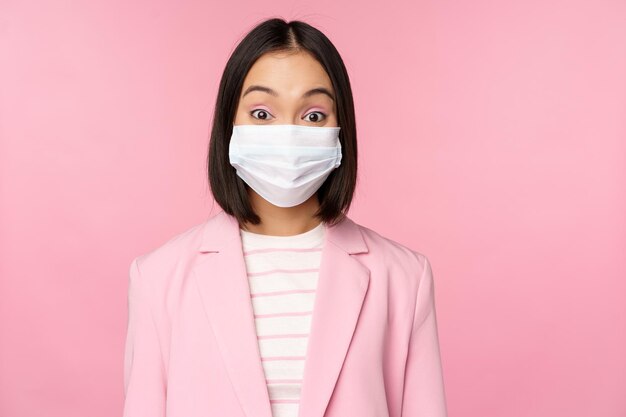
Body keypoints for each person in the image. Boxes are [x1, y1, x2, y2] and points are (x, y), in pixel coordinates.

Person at [123, 17, 448, 417]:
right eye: (262, 114)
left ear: (340, 131)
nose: (288, 134)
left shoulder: (404, 278)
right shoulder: (158, 278)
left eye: (313, 116)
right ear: (229, 126)